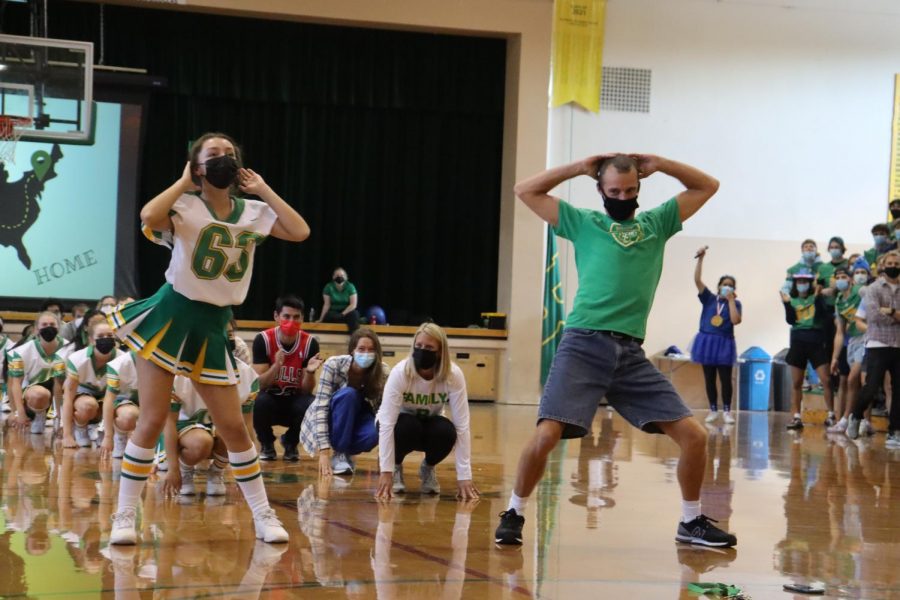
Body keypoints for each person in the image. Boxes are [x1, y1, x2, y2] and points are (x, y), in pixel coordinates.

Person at [495, 152, 736, 548]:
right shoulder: (584, 222)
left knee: (694, 436)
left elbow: (707, 186)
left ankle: (690, 522)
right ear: (600, 190)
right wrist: (578, 167)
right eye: (613, 191)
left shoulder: (656, 223)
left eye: (629, 190)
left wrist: (661, 163)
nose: (622, 197)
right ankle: (515, 512)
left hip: (630, 353)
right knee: (546, 435)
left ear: (639, 187)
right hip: (584, 343)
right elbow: (525, 189)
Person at [106, 132, 310, 545]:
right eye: (213, 155)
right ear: (198, 166)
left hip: (214, 324)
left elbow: (300, 231)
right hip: (169, 317)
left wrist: (264, 189)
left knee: (234, 426)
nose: (223, 159)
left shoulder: (254, 212)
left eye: (229, 154)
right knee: (149, 419)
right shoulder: (183, 204)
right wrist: (184, 182)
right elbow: (148, 215)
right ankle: (125, 516)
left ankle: (262, 515)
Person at [374, 323, 479, 500]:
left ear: (440, 352)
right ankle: (397, 465)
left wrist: (464, 477)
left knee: (446, 431)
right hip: (401, 427)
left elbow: (462, 426)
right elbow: (386, 424)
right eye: (419, 346)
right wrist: (386, 471)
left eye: (429, 347)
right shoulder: (400, 372)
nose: (423, 351)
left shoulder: (453, 375)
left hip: (430, 425)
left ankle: (428, 467)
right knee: (407, 425)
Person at [162, 353, 259, 498]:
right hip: (186, 427)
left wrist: (249, 470)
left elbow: (247, 425)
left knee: (234, 431)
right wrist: (173, 469)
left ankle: (216, 472)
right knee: (201, 442)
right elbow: (168, 422)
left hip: (220, 425)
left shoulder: (247, 374)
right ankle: (186, 470)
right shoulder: (179, 371)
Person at [300, 327, 388, 476]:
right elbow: (321, 407)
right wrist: (323, 453)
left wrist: (384, 456)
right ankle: (339, 452)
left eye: (371, 350)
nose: (366, 354)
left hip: (360, 418)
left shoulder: (384, 372)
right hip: (332, 418)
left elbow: (384, 415)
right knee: (349, 395)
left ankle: (346, 454)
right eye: (361, 349)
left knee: (376, 431)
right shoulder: (334, 365)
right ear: (352, 350)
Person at [251, 295, 323, 461]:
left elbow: (306, 390)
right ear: (276, 317)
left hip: (294, 401)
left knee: (312, 403)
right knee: (257, 400)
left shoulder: (310, 343)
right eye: (286, 316)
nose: (291, 321)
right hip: (270, 400)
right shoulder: (263, 340)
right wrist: (276, 366)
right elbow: (259, 384)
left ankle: (290, 443)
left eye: (296, 317)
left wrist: (310, 372)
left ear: (302, 319)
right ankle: (267, 444)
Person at [847, 250, 900, 447]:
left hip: (898, 345)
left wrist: (891, 311)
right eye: (890, 263)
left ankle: (894, 431)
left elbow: (883, 314)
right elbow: (874, 316)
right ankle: (855, 416)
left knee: (898, 391)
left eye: (897, 263)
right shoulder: (873, 289)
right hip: (877, 343)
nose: (893, 266)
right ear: (883, 266)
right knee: (870, 388)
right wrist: (896, 317)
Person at [691, 247, 741, 425]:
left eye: (730, 285)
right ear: (719, 286)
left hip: (725, 343)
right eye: (724, 284)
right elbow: (697, 280)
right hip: (707, 342)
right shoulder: (709, 299)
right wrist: (700, 259)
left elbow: (735, 321)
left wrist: (731, 301)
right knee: (709, 378)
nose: (727, 287)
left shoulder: (736, 303)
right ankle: (713, 410)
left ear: (734, 289)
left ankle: (727, 411)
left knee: (726, 379)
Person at [780, 268, 835, 430]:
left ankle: (831, 414)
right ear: (795, 283)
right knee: (797, 382)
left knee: (826, 380)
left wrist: (818, 297)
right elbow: (791, 320)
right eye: (799, 281)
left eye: (805, 281)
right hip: (798, 342)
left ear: (810, 283)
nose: (802, 284)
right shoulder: (792, 300)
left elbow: (822, 317)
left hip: (816, 341)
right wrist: (786, 304)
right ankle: (796, 417)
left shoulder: (816, 297)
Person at [61, 320, 122, 448]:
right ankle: (80, 428)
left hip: (110, 399)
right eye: (100, 337)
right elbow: (67, 398)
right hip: (84, 397)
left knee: (127, 413)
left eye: (110, 336)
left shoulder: (123, 359)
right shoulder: (77, 358)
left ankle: (105, 431)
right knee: (88, 405)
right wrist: (66, 435)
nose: (106, 339)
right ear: (91, 340)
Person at [6, 312, 65, 435]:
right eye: (44, 324)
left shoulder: (69, 348)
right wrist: (18, 412)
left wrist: (62, 419)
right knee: (39, 394)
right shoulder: (22, 351)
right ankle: (39, 416)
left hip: (62, 394)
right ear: (36, 329)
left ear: (58, 327)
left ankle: (83, 426)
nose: (48, 327)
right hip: (34, 396)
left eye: (52, 324)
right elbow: (14, 383)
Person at [829, 263, 867, 434]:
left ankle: (846, 419)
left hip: (867, 338)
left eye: (844, 277)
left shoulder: (860, 291)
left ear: (851, 280)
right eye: (838, 278)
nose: (841, 280)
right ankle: (860, 420)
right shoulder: (838, 301)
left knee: (853, 379)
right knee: (855, 383)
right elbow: (839, 332)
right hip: (851, 341)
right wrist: (835, 357)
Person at [100, 350, 140, 460]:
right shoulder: (119, 364)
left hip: (149, 402)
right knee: (128, 415)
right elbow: (109, 400)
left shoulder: (160, 361)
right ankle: (120, 436)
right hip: (124, 403)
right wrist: (108, 436)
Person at [318, 268, 360, 333]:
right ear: (333, 277)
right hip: (334, 312)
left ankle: (354, 338)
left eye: (342, 275)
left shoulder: (350, 286)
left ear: (346, 277)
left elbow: (353, 305)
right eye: (337, 275)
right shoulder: (328, 287)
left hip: (347, 312)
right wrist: (321, 319)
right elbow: (327, 304)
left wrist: (342, 314)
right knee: (328, 316)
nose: (339, 277)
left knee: (355, 314)